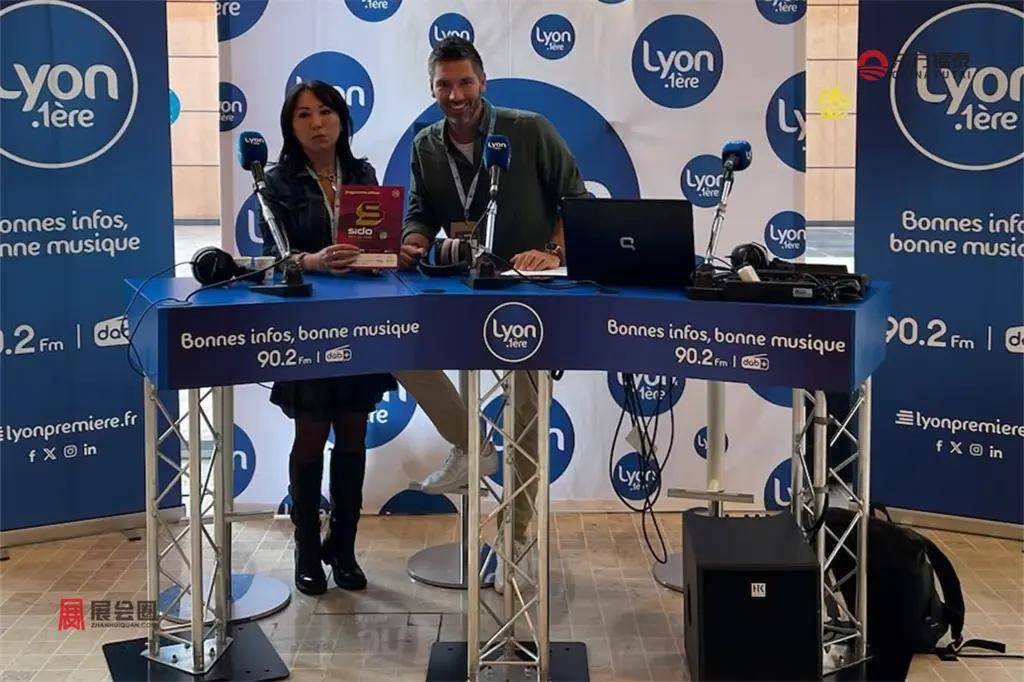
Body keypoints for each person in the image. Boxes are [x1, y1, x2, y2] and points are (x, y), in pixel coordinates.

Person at [399, 37, 588, 587]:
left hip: (528, 292)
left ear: (483, 82)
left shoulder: (529, 130)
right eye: (444, 85)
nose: (456, 95)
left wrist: (552, 252)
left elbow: (575, 201)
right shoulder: (425, 144)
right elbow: (419, 209)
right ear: (432, 88)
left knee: (525, 414)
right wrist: (414, 237)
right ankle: (471, 444)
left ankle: (517, 536)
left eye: (465, 82)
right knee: (403, 354)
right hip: (460, 288)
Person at [258, 81, 391, 595]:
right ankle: (307, 548)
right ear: (290, 127)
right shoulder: (275, 184)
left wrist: (380, 257)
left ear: (342, 119)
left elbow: (375, 242)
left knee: (354, 430)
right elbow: (270, 258)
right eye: (304, 115)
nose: (317, 123)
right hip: (308, 324)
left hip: (359, 319)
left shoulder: (362, 174)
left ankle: (344, 546)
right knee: (311, 433)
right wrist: (311, 261)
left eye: (326, 112)